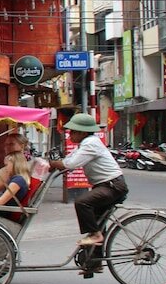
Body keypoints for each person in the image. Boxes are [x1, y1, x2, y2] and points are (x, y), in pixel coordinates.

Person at [49, 113, 127, 274]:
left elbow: (70, 163)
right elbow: (69, 160)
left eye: (73, 131)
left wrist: (53, 164)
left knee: (82, 202)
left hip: (112, 186)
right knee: (97, 222)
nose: (70, 134)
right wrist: (54, 165)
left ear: (83, 132)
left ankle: (95, 236)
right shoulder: (85, 144)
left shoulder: (91, 143)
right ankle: (94, 263)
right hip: (104, 186)